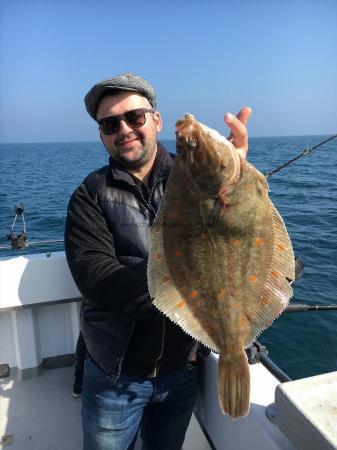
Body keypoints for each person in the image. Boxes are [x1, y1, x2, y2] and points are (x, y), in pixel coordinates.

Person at [64, 72, 251, 450]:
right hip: (115, 374)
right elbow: (98, 277)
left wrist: (237, 175)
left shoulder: (196, 175)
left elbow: (240, 235)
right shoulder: (89, 196)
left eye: (135, 117)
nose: (125, 129)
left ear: (156, 120)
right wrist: (190, 303)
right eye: (110, 123)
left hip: (181, 369)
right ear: (101, 134)